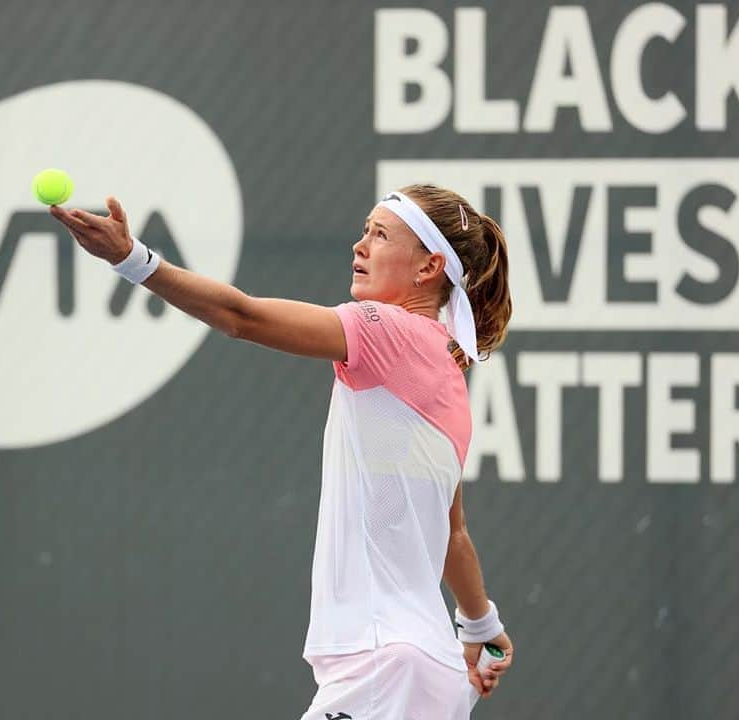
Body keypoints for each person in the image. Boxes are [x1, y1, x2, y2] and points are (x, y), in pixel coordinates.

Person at [50, 183, 514, 719]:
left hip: (383, 664)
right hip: (431, 671)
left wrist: (133, 259)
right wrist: (482, 624)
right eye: (364, 231)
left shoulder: (386, 331)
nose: (359, 246)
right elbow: (452, 533)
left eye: (380, 235)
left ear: (428, 267)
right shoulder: (449, 379)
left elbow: (241, 317)